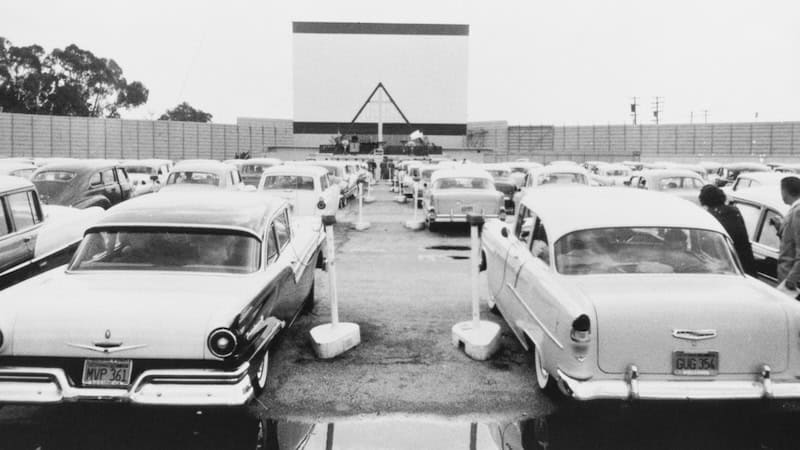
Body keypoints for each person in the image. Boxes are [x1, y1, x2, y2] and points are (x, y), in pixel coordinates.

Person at [698, 185, 757, 276]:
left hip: (724, 261)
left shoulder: (710, 215)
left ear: (703, 199)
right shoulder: (734, 211)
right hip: (744, 258)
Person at [777, 176, 800, 294]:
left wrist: (791, 279)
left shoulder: (797, 211)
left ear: (785, 191)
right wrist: (780, 228)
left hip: (790, 278)